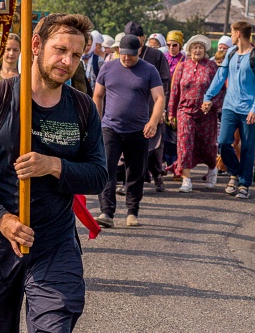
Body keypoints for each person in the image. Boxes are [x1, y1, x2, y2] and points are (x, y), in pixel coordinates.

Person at [0, 13, 107, 333]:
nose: (67, 61)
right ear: (36, 45)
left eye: (76, 55)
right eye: (60, 50)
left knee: (53, 327)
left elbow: (98, 174)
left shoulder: (82, 108)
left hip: (54, 244)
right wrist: (2, 219)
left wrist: (54, 165)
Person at [94, 34, 164, 227]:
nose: (127, 58)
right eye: (123, 54)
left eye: (131, 55)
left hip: (138, 130)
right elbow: (98, 95)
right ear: (118, 51)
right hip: (110, 127)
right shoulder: (108, 68)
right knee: (107, 168)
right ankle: (106, 212)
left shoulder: (149, 70)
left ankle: (132, 211)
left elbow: (159, 98)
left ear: (139, 52)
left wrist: (153, 121)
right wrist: (96, 122)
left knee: (135, 171)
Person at [202, 21, 255, 199]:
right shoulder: (230, 53)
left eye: (231, 31)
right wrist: (208, 96)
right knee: (223, 142)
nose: (230, 35)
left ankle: (244, 184)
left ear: (238, 33)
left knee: (247, 147)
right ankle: (235, 172)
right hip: (230, 106)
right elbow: (220, 76)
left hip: (249, 110)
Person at [167, 35, 223, 192]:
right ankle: (186, 180)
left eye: (200, 47)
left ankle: (212, 169)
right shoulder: (183, 66)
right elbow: (175, 91)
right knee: (184, 144)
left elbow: (220, 89)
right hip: (185, 111)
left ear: (204, 50)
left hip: (207, 113)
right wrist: (171, 113)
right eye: (194, 47)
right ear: (189, 50)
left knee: (208, 145)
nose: (198, 50)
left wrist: (212, 103)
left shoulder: (211, 66)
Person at [123, 21, 171, 192]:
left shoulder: (156, 55)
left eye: (136, 38)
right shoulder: (123, 56)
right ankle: (128, 182)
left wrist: (163, 109)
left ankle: (158, 176)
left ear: (142, 38)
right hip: (132, 112)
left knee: (154, 147)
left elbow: (165, 82)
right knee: (130, 148)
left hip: (153, 108)